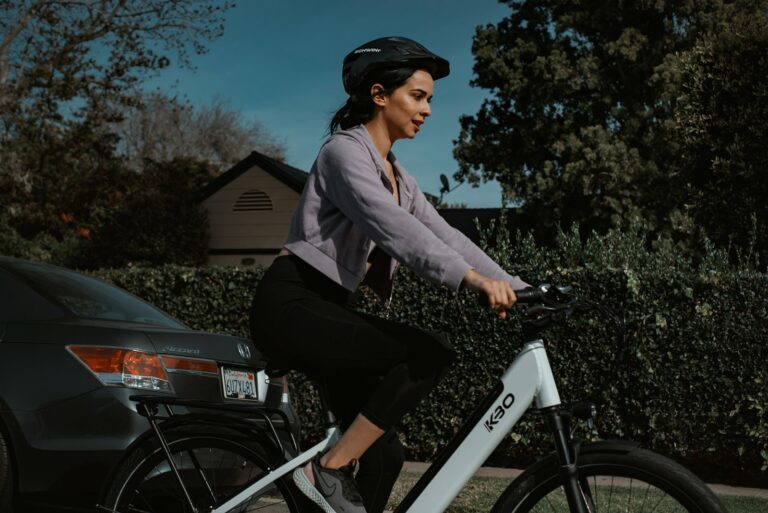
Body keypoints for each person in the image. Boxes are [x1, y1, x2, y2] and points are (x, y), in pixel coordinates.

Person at [249, 36, 528, 513]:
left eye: (430, 100)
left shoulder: (398, 175)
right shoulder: (343, 153)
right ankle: (327, 471)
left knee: (385, 454)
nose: (427, 110)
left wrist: (521, 287)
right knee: (425, 354)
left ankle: (332, 483)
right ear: (379, 95)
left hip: (329, 306)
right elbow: (393, 227)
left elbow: (443, 234)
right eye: (417, 97)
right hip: (293, 304)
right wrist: (470, 280)